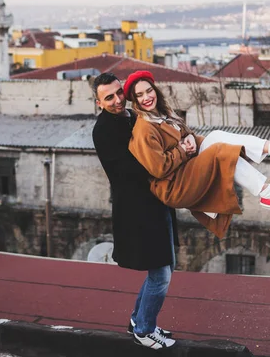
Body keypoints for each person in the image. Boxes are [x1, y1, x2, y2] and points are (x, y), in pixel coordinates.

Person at [124, 70, 270, 239]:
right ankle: (269, 191)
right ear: (135, 101)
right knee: (220, 152)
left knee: (215, 137)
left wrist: (190, 138)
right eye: (139, 95)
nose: (146, 97)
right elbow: (158, 168)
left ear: (155, 90)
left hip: (185, 171)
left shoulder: (164, 113)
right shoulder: (144, 129)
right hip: (174, 186)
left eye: (149, 91)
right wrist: (182, 150)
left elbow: (183, 137)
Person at [91, 72, 176, 349]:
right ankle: (144, 329)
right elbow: (133, 170)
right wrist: (170, 158)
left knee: (163, 268)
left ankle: (139, 319)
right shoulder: (103, 130)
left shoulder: (133, 116)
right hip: (137, 211)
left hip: (157, 202)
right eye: (109, 97)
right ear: (98, 102)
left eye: (119, 93)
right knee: (160, 273)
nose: (117, 100)